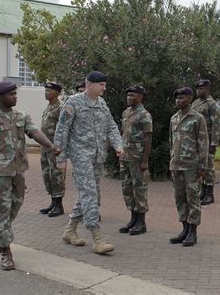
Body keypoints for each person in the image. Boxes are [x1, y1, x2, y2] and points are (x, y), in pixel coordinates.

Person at [0, 81, 59, 270]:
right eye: (11, 94)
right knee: (2, 211)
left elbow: (35, 132)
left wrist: (50, 145)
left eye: (15, 93)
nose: (15, 96)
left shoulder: (21, 116)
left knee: (16, 205)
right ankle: (5, 251)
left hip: (18, 170)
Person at [54, 71, 124, 254]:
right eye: (101, 84)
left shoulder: (102, 103)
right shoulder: (73, 102)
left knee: (87, 193)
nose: (104, 88)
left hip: (98, 157)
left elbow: (111, 126)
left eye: (104, 84)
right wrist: (60, 159)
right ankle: (97, 236)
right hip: (80, 156)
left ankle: (70, 231)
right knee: (90, 193)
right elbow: (62, 130)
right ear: (89, 84)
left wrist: (118, 145)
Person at [169, 87, 209, 247]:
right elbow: (171, 142)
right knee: (180, 198)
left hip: (191, 165)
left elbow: (203, 142)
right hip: (176, 164)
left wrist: (203, 165)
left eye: (182, 98)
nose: (178, 100)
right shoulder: (174, 118)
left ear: (190, 99)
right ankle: (184, 228)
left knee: (192, 198)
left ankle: (193, 231)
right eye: (177, 98)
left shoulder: (197, 118)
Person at [119, 84, 153, 235]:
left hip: (138, 158)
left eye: (133, 95)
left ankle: (141, 222)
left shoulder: (144, 114)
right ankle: (133, 218)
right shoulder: (126, 113)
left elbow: (148, 137)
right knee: (127, 188)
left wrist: (145, 160)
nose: (129, 98)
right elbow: (123, 133)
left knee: (139, 189)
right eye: (128, 95)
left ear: (140, 97)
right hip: (125, 156)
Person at [191, 79, 220, 205]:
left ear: (207, 90)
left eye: (201, 89)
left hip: (207, 139)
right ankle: (203, 191)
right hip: (196, 140)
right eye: (197, 89)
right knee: (200, 165)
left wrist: (214, 142)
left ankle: (210, 193)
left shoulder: (212, 104)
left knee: (208, 166)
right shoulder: (196, 103)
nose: (198, 91)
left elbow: (216, 124)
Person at [39, 82, 66, 217]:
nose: (46, 93)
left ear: (57, 93)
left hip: (56, 147)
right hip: (45, 147)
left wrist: (60, 146)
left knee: (56, 175)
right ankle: (53, 202)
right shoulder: (48, 107)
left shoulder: (60, 108)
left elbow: (64, 128)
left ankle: (59, 205)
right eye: (45, 90)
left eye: (49, 91)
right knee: (47, 174)